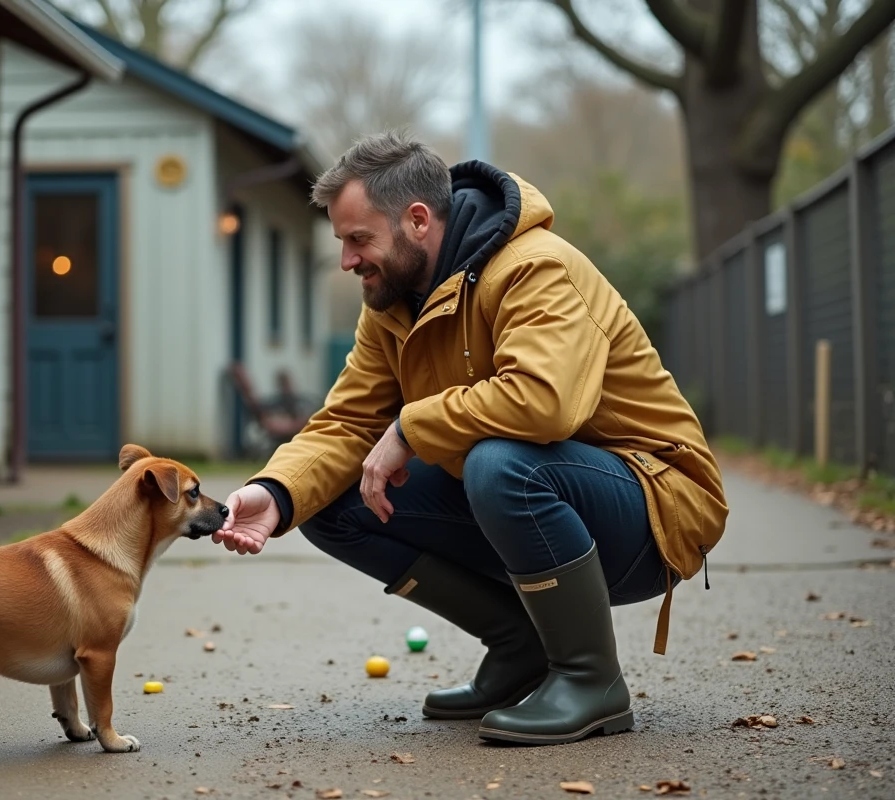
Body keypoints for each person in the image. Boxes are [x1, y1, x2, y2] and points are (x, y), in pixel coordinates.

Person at [212, 131, 728, 746]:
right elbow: (347, 423)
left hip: (653, 505)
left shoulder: (535, 267)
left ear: (419, 220)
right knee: (330, 502)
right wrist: (277, 491)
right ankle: (521, 647)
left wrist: (409, 426)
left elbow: (546, 402)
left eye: (358, 239)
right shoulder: (391, 304)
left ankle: (592, 681)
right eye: (341, 242)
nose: (347, 260)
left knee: (500, 464)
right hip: (541, 498)